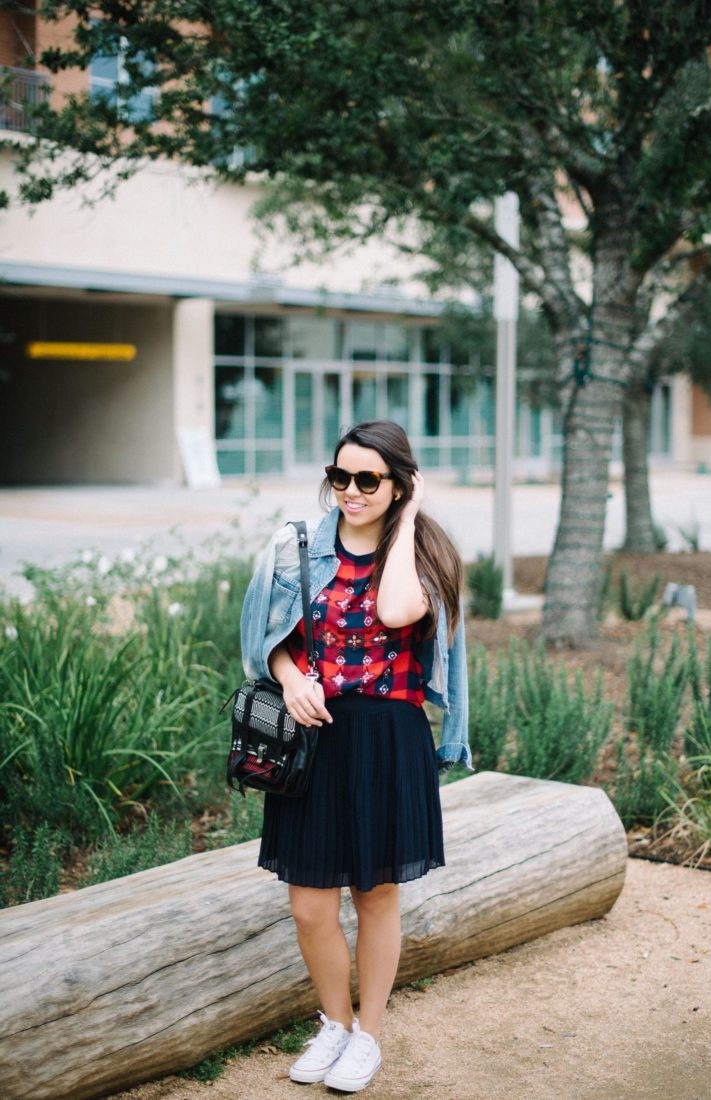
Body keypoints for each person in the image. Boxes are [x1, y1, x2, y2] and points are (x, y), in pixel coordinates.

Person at [240, 420, 470, 1093]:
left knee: (376, 897)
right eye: (339, 477)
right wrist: (290, 677)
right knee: (309, 904)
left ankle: (368, 1036)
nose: (349, 491)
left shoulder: (424, 555)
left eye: (368, 479)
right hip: (312, 740)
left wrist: (409, 519)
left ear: (398, 485)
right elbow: (264, 639)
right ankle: (334, 1025)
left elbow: (398, 610)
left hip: (386, 741)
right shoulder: (296, 545)